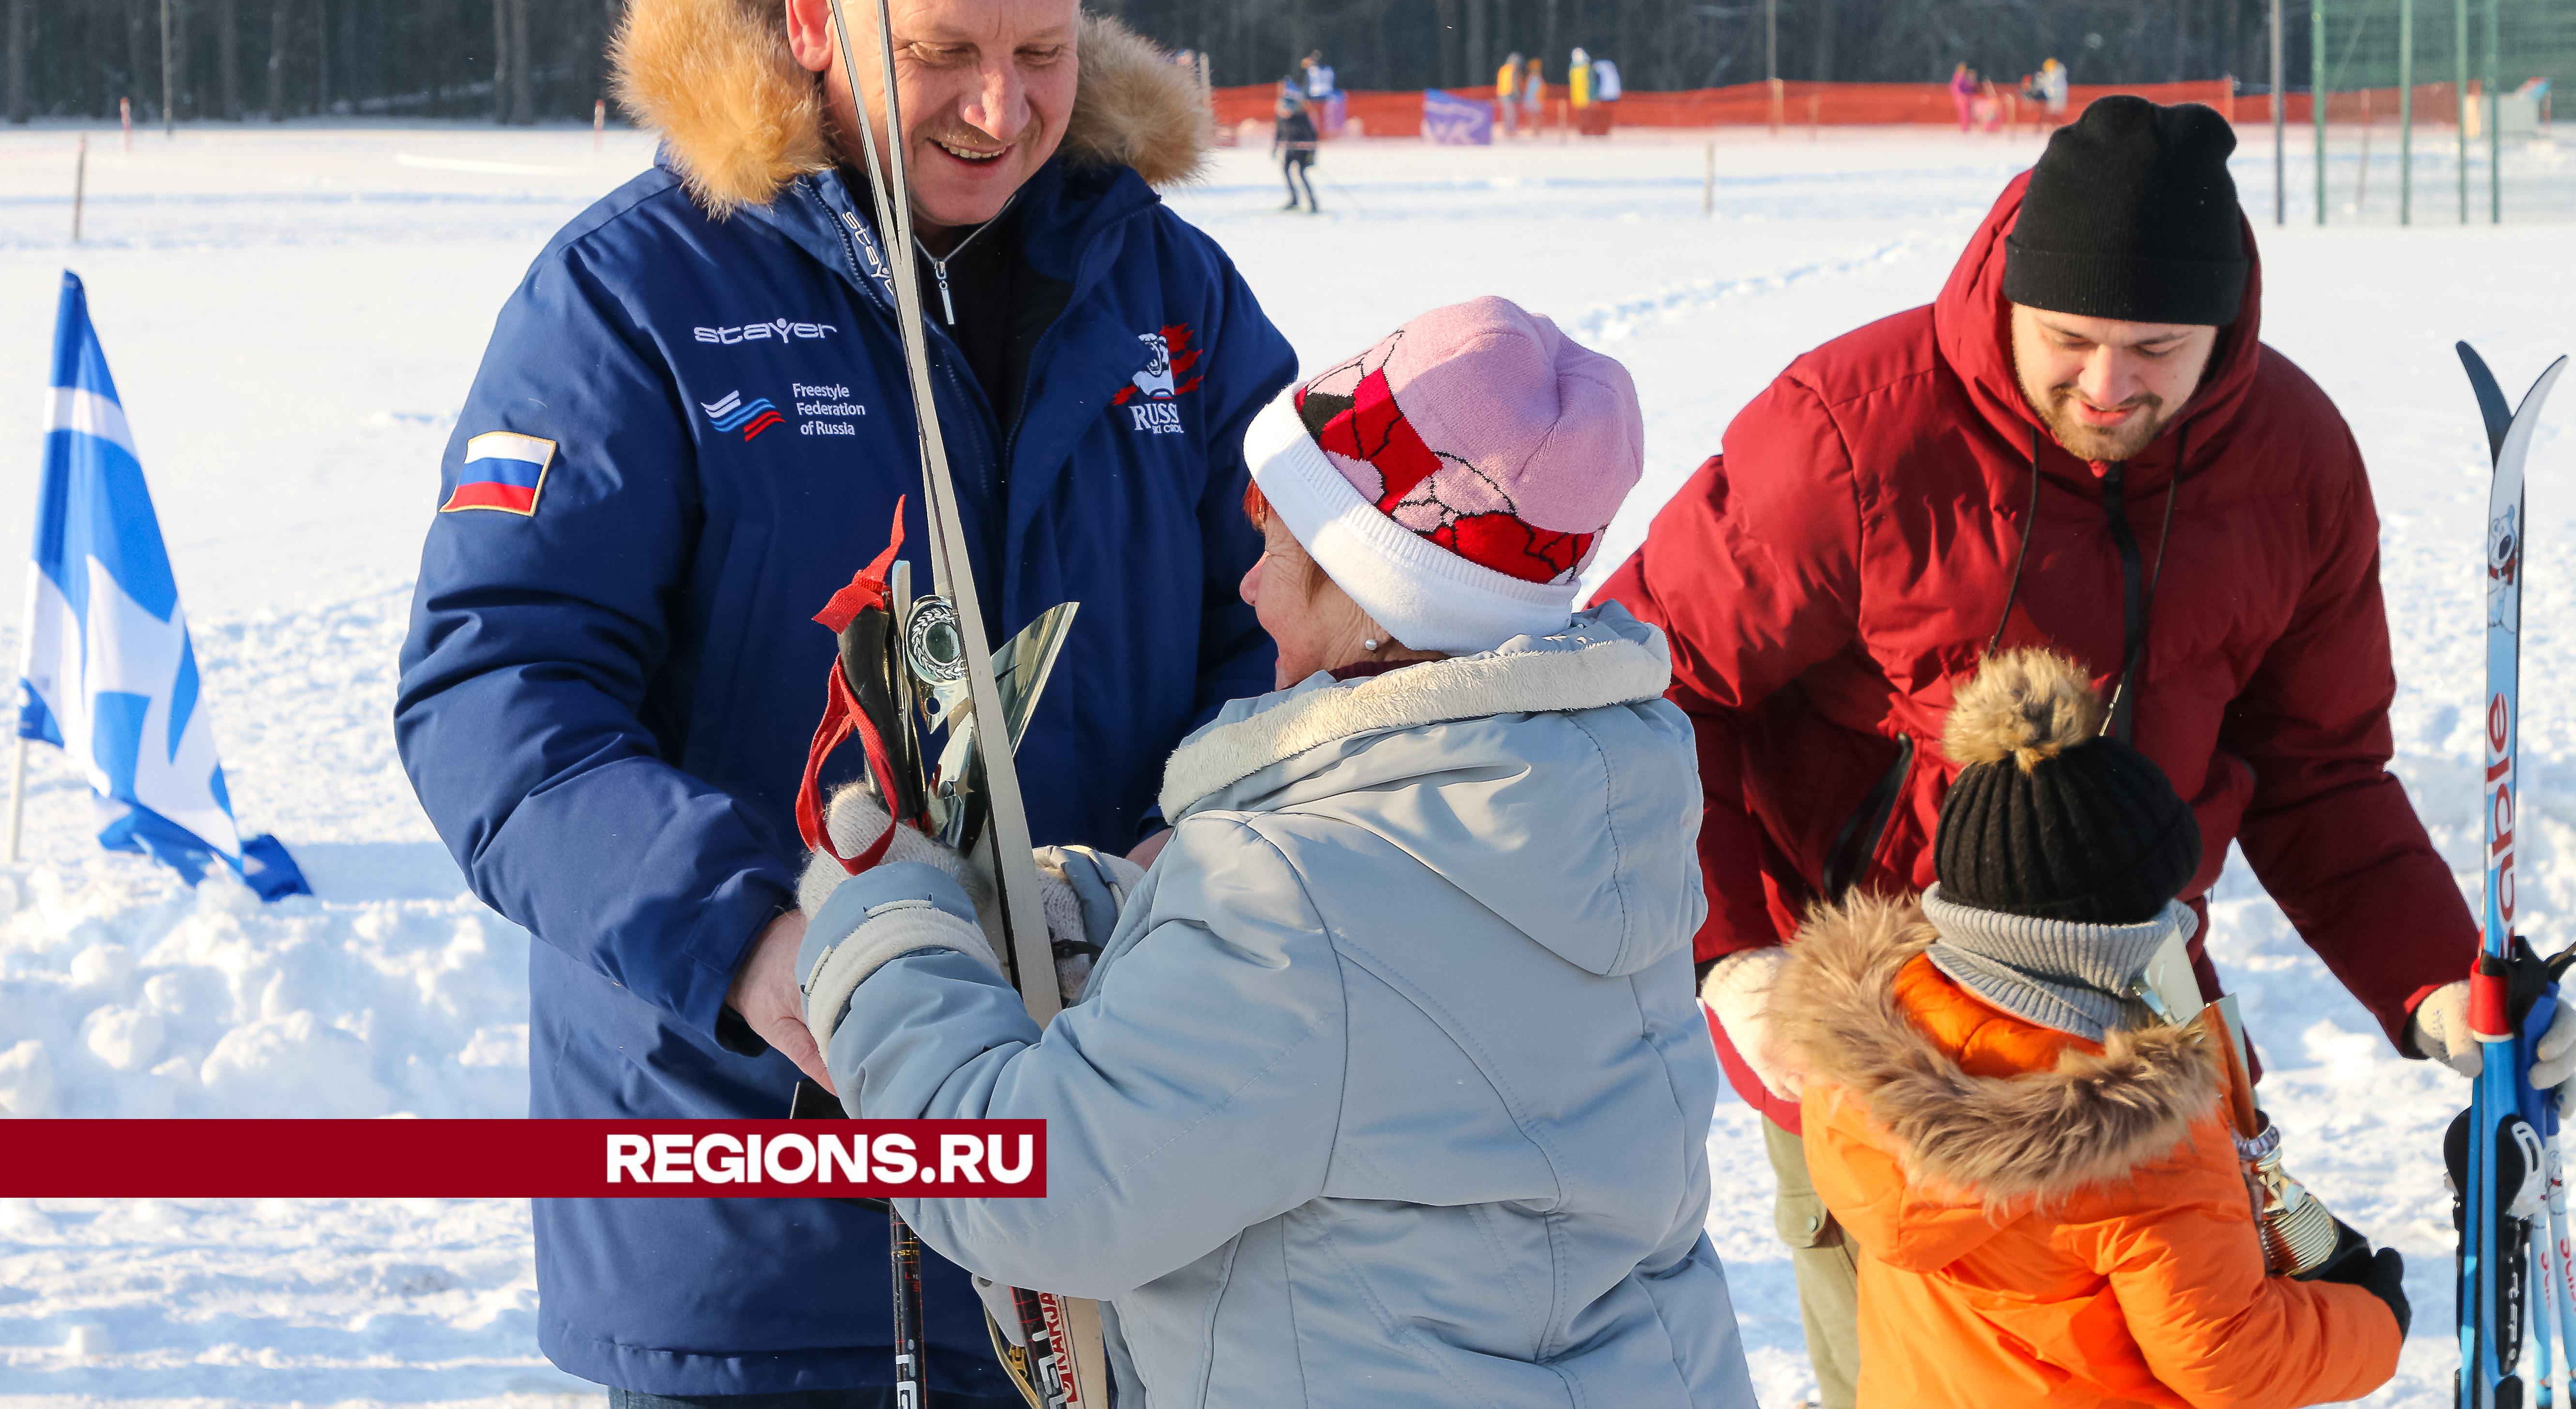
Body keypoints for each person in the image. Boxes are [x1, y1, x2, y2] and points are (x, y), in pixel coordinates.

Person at [394, 0, 1297, 1405]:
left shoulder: (1171, 291)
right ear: (816, 12)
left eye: (1041, 53)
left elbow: (1296, 633)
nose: (998, 110)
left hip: (1115, 1193)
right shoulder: (640, 290)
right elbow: (498, 696)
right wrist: (753, 939)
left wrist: (1204, 839)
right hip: (753, 1218)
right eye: (943, 51)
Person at [1593, 95, 2572, 1409]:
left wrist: (2431, 983)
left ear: (2225, 327)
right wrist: (1728, 954)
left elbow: (2320, 767)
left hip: (2142, 1032)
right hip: (1887, 1056)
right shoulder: (1850, 435)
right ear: (2006, 296)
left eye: (2155, 350)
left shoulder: (2294, 465)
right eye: (2068, 341)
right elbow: (1646, 684)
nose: (2107, 388)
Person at [795, 296, 1760, 1409]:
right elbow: (1403, 1030)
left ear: (1379, 599)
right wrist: (1124, 924)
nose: (1248, 581)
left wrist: (882, 924)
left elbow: (1035, 1190)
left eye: (1276, 536)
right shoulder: (1587, 795)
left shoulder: (1300, 895)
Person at [1778, 648, 2407, 1409]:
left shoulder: (1881, 1034)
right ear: (2124, 925)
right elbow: (2227, 1360)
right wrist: (2370, 1321)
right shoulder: (2141, 1136)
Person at [1273, 78, 1319, 212]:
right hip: (1290, 150)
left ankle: (1313, 203)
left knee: (1301, 174)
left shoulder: (1301, 118)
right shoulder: (1281, 118)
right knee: (1286, 171)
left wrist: (1312, 153)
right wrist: (1275, 148)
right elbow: (1279, 133)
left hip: (1303, 151)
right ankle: (1294, 200)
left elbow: (1312, 136)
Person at [1949, 62, 1974, 133]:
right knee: (1964, 112)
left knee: (1965, 112)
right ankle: (1964, 127)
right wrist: (1961, 95)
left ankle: (1965, 127)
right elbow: (1956, 87)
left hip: (1961, 96)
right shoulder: (1960, 76)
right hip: (1961, 97)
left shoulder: (1960, 76)